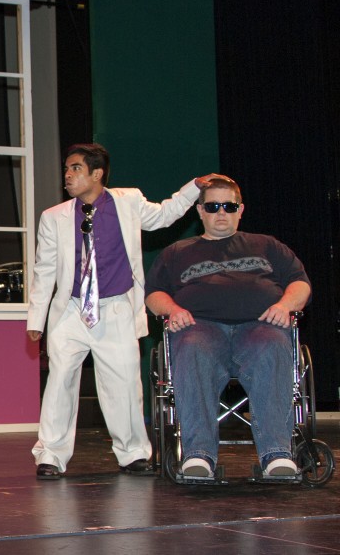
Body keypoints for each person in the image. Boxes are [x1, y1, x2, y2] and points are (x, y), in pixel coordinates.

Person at [25, 143, 224, 479]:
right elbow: (44, 271)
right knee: (59, 382)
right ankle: (50, 455)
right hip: (71, 311)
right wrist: (37, 320)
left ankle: (132, 453)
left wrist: (194, 187)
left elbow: (163, 215)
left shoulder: (127, 201)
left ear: (96, 173)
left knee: (123, 385)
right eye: (67, 169)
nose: (68, 176)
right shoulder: (53, 217)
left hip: (116, 307)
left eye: (75, 169)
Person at [144, 177, 310, 478]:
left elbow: (300, 283)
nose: (221, 212)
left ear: (240, 209)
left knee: (273, 346)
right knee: (191, 347)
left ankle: (277, 454)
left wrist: (285, 305)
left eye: (229, 206)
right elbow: (154, 294)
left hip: (260, 326)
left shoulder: (267, 245)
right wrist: (173, 309)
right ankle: (198, 455)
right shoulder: (177, 252)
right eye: (213, 206)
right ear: (200, 210)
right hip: (201, 327)